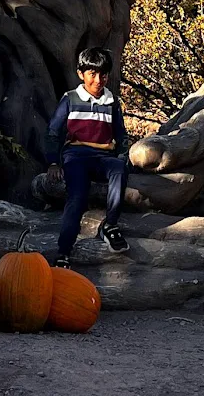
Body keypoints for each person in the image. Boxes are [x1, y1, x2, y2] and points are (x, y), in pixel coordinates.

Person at [45, 47, 130, 268]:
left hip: (103, 156)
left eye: (103, 74)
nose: (98, 80)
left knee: (119, 170)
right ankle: (64, 251)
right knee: (77, 198)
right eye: (92, 74)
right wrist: (53, 162)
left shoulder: (112, 103)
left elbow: (121, 135)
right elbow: (54, 132)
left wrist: (122, 154)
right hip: (76, 156)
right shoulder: (71, 99)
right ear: (81, 74)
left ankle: (110, 225)